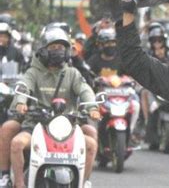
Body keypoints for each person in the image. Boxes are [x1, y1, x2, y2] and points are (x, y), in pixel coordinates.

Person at [1, 27, 100, 188]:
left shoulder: (73, 73)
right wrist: (20, 102)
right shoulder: (33, 72)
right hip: (36, 124)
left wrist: (92, 108)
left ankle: (84, 182)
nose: (57, 51)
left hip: (68, 127)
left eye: (61, 48)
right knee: (17, 143)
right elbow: (24, 87)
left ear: (67, 51)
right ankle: (17, 183)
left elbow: (85, 89)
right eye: (53, 48)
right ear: (43, 51)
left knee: (91, 144)